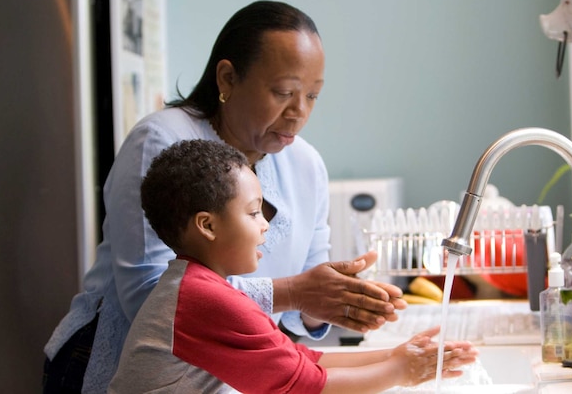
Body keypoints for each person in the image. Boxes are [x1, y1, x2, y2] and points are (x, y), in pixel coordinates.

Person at [43, 0, 407, 393]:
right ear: (228, 78)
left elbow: (303, 310)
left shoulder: (307, 164)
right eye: (284, 91)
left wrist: (340, 300)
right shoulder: (162, 140)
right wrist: (294, 292)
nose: (299, 112)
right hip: (110, 367)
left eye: (313, 96)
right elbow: (151, 299)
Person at [109, 139, 479, 393]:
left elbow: (302, 359)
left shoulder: (199, 287)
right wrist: (403, 371)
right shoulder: (202, 298)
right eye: (254, 212)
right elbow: (303, 386)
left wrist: (395, 355)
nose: (265, 224)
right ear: (207, 225)